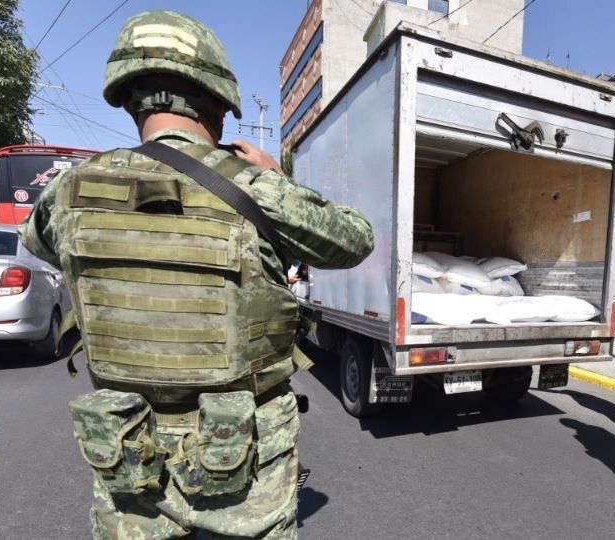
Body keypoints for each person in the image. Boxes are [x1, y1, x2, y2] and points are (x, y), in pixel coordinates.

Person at [19, 10, 374, 539]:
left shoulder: (66, 192)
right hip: (246, 464)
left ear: (130, 98)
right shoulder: (257, 189)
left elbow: (40, 244)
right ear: (218, 102)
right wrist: (277, 177)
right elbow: (354, 240)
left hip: (128, 457)